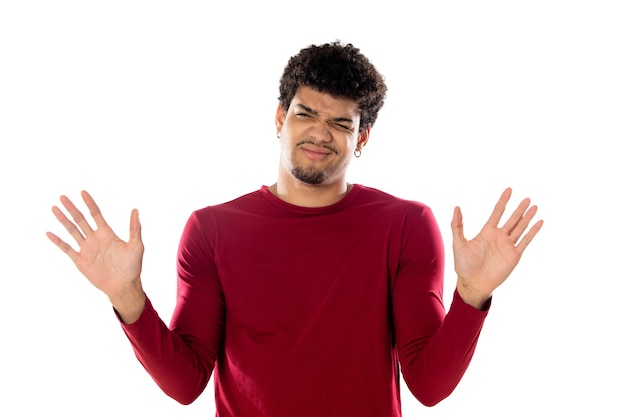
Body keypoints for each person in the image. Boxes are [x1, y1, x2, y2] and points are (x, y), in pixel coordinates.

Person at [47, 41, 543, 417]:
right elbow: (186, 384)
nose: (320, 133)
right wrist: (126, 294)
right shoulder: (212, 229)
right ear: (281, 117)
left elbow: (429, 387)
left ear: (362, 137)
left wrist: (472, 294)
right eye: (306, 113)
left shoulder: (406, 225)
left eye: (342, 123)